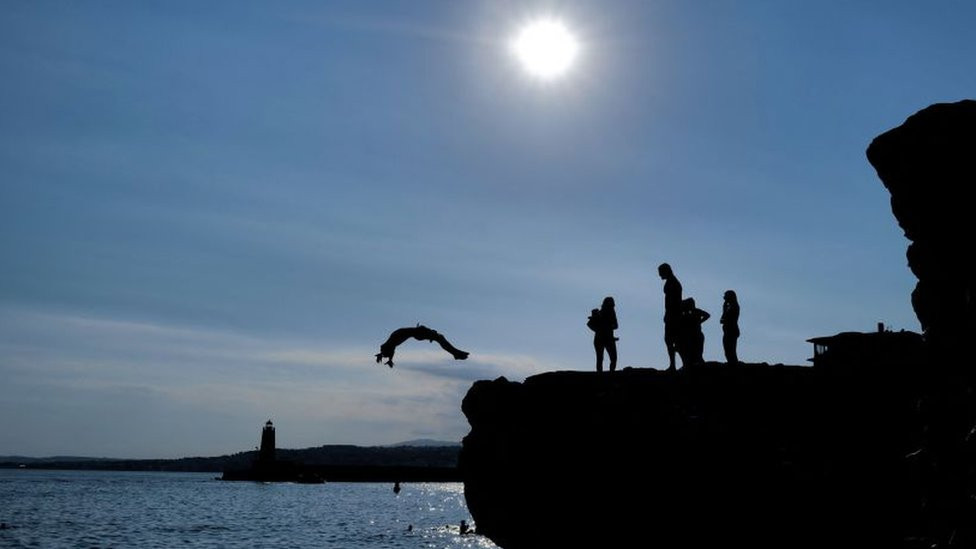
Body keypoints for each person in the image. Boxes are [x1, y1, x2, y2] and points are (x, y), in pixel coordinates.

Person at [658, 263, 683, 371]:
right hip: (672, 314)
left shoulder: (673, 283)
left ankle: (675, 364)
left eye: (660, 273)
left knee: (674, 340)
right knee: (671, 340)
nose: (659, 276)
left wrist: (669, 313)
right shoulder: (672, 282)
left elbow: (673, 301)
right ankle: (673, 364)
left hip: (673, 315)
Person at [589, 297, 618, 372]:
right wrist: (599, 330)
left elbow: (616, 325)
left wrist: (608, 327)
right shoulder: (599, 313)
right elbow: (590, 324)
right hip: (600, 339)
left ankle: (611, 373)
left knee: (613, 358)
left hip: (609, 339)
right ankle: (600, 376)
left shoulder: (612, 313)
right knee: (600, 358)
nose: (612, 306)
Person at [678, 297, 710, 366]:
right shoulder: (689, 313)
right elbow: (707, 315)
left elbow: (707, 315)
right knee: (694, 355)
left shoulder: (694, 312)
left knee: (697, 354)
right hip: (692, 336)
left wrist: (699, 322)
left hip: (695, 336)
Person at [720, 290, 740, 364]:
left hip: (731, 330)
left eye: (725, 296)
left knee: (730, 350)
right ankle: (732, 363)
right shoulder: (729, 306)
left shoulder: (734, 306)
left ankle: (733, 365)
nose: (724, 297)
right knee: (728, 350)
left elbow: (728, 318)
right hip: (728, 330)